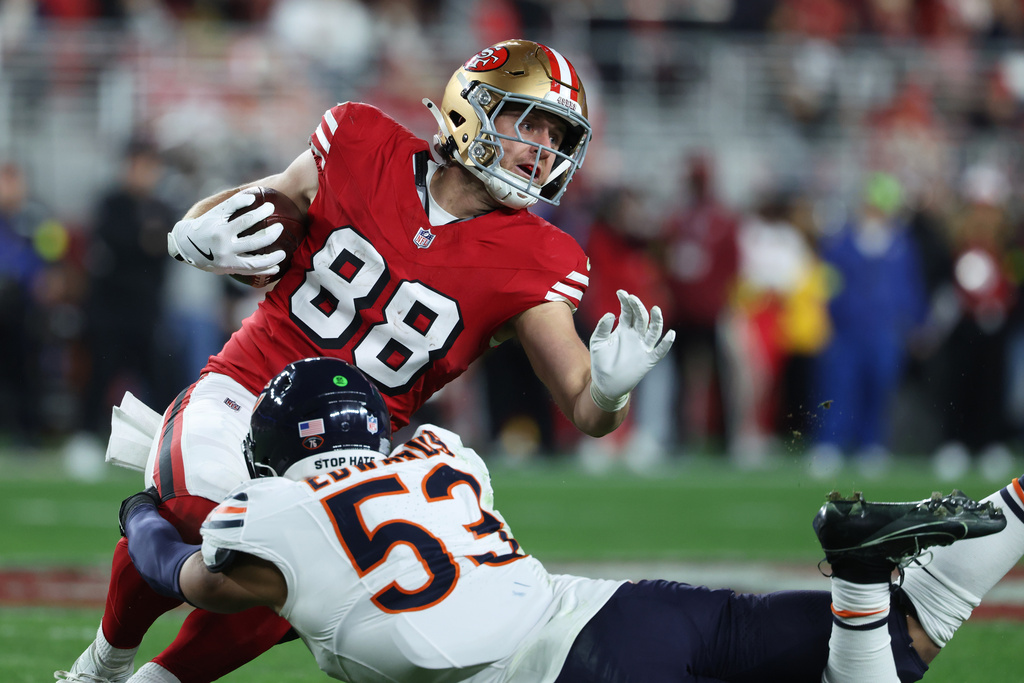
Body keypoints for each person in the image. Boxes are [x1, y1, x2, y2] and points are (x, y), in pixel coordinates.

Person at [57, 40, 675, 683]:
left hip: (346, 450)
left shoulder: (542, 257)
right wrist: (192, 233)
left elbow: (584, 404)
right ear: (476, 109)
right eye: (531, 124)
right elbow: (248, 207)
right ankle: (102, 662)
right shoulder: (360, 140)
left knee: (302, 578)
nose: (542, 149)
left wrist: (610, 391)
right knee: (198, 517)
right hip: (244, 388)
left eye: (558, 135)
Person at [115, 357, 1008, 683]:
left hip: (564, 671)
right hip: (624, 610)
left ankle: (858, 575)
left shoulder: (271, 509)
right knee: (897, 646)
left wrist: (140, 504)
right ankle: (884, 567)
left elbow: (178, 572)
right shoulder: (441, 453)